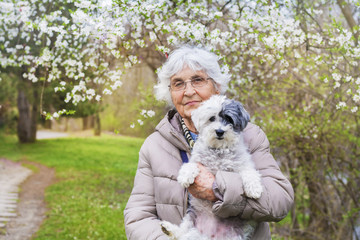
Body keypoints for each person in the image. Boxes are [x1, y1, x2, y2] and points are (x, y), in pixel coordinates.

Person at [124, 46, 294, 239]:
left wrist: (218, 189)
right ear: (169, 93)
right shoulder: (154, 146)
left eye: (198, 80)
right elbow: (137, 217)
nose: (189, 91)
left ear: (217, 86)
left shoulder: (251, 136)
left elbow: (280, 201)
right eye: (178, 84)